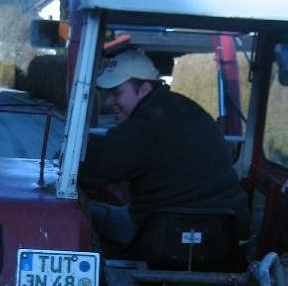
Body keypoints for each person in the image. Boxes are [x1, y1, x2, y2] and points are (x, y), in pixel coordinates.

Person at [78, 48, 249, 245]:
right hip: (227, 232)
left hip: (165, 235)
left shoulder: (145, 125)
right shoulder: (189, 109)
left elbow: (90, 167)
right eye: (107, 94)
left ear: (144, 89)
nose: (108, 102)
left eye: (116, 93)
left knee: (88, 214)